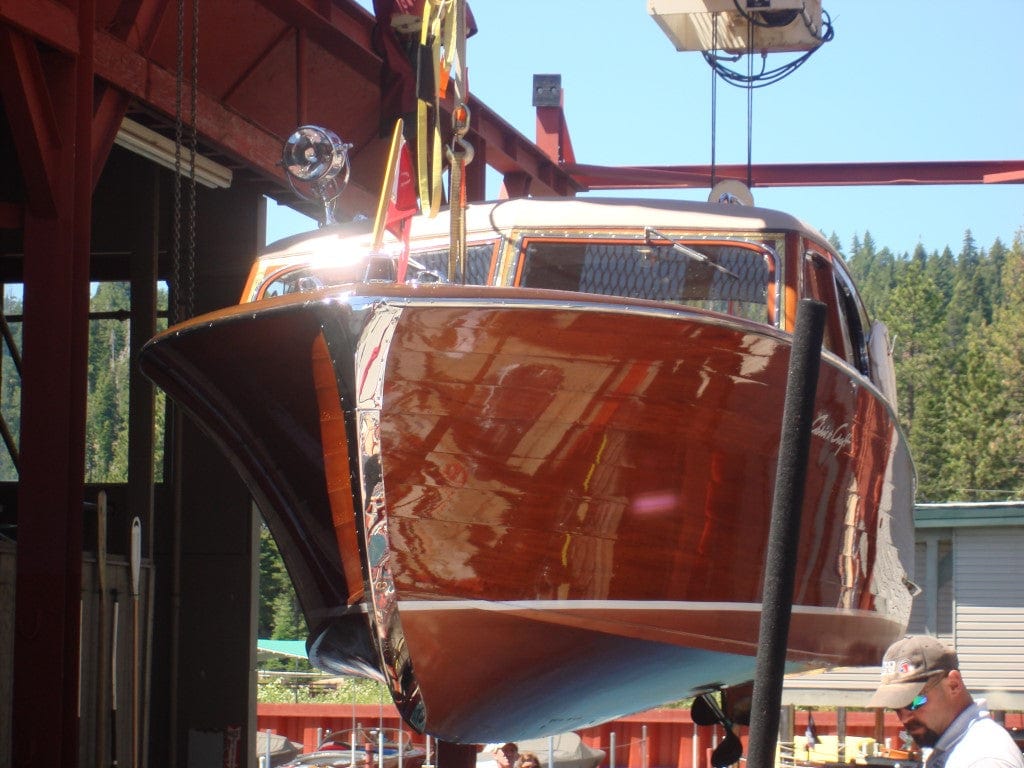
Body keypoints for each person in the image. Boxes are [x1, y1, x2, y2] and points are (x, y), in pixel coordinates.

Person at [868, 635, 1024, 768]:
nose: (904, 717)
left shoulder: (985, 759)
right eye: (896, 707)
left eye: (913, 702)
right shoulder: (954, 747)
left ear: (953, 684)